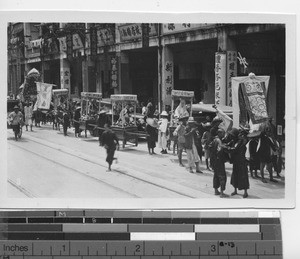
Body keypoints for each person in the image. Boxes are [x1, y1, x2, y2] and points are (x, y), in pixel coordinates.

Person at [224, 128, 249, 198]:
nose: (231, 137)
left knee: (243, 176)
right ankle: (235, 190)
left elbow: (234, 150)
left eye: (232, 135)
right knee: (235, 176)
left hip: (241, 162)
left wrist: (226, 148)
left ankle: (245, 192)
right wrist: (225, 145)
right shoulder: (233, 141)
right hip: (235, 161)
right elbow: (227, 144)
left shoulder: (241, 142)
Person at [211, 129, 227, 198]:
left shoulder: (214, 140)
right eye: (223, 133)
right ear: (220, 133)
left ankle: (216, 190)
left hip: (214, 160)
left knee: (216, 176)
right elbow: (220, 149)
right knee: (222, 176)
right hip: (219, 160)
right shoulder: (219, 140)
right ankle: (222, 193)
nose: (224, 135)